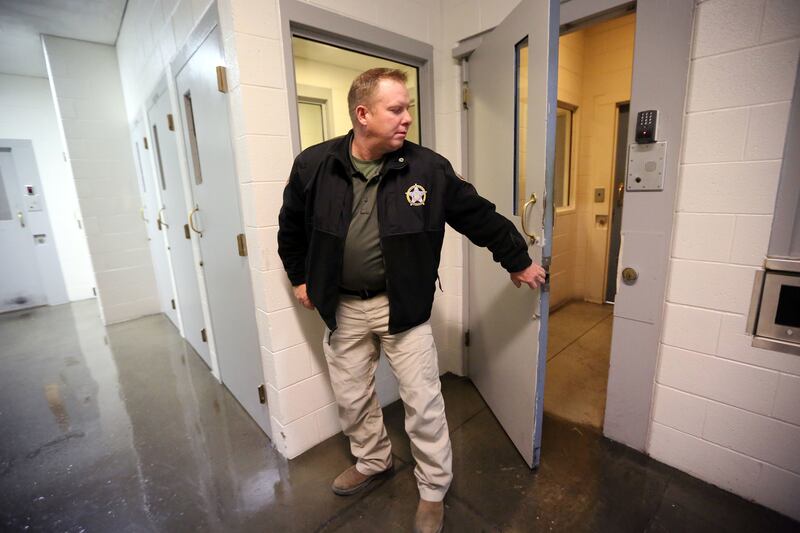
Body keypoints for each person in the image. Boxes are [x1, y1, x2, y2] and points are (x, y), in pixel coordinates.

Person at [278, 68, 546, 533]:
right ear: (362, 115)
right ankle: (373, 460)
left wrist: (516, 259)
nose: (406, 119)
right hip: (341, 307)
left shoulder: (428, 168)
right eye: (396, 109)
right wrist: (300, 278)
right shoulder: (314, 165)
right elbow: (291, 229)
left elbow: (477, 215)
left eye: (408, 109)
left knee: (422, 403)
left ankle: (433, 489)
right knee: (353, 397)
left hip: (402, 307)